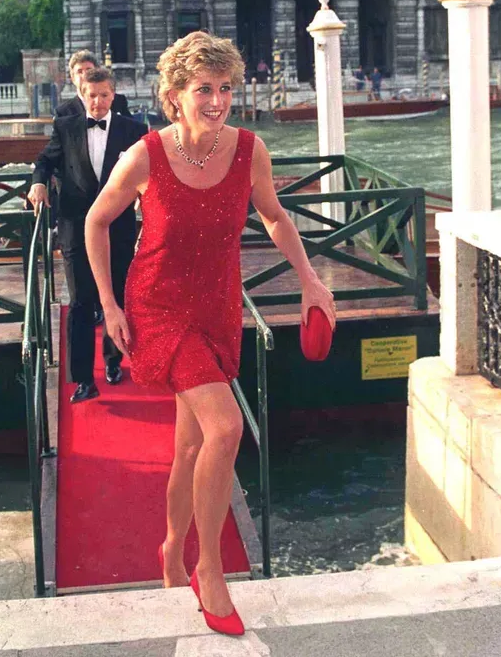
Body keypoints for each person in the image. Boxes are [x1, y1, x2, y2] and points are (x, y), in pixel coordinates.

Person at [84, 32, 335, 637]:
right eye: (204, 90)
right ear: (174, 97)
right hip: (159, 308)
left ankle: (170, 546)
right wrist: (109, 304)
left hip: (218, 309)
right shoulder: (145, 154)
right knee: (225, 426)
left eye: (226, 88)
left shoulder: (250, 151)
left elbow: (274, 216)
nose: (218, 100)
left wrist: (310, 281)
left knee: (192, 447)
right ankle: (211, 567)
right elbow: (96, 220)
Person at [28, 67, 146, 403]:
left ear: (114, 94)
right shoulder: (64, 127)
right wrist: (38, 183)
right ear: (82, 94)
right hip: (75, 226)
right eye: (91, 96)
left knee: (119, 296)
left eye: (104, 95)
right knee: (80, 301)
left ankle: (113, 361)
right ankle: (82, 379)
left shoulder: (134, 130)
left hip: (119, 226)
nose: (97, 102)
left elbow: (150, 170)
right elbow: (44, 161)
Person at [57, 50, 131, 118]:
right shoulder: (63, 112)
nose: (84, 75)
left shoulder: (118, 102)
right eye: (80, 71)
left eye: (89, 70)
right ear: (72, 78)